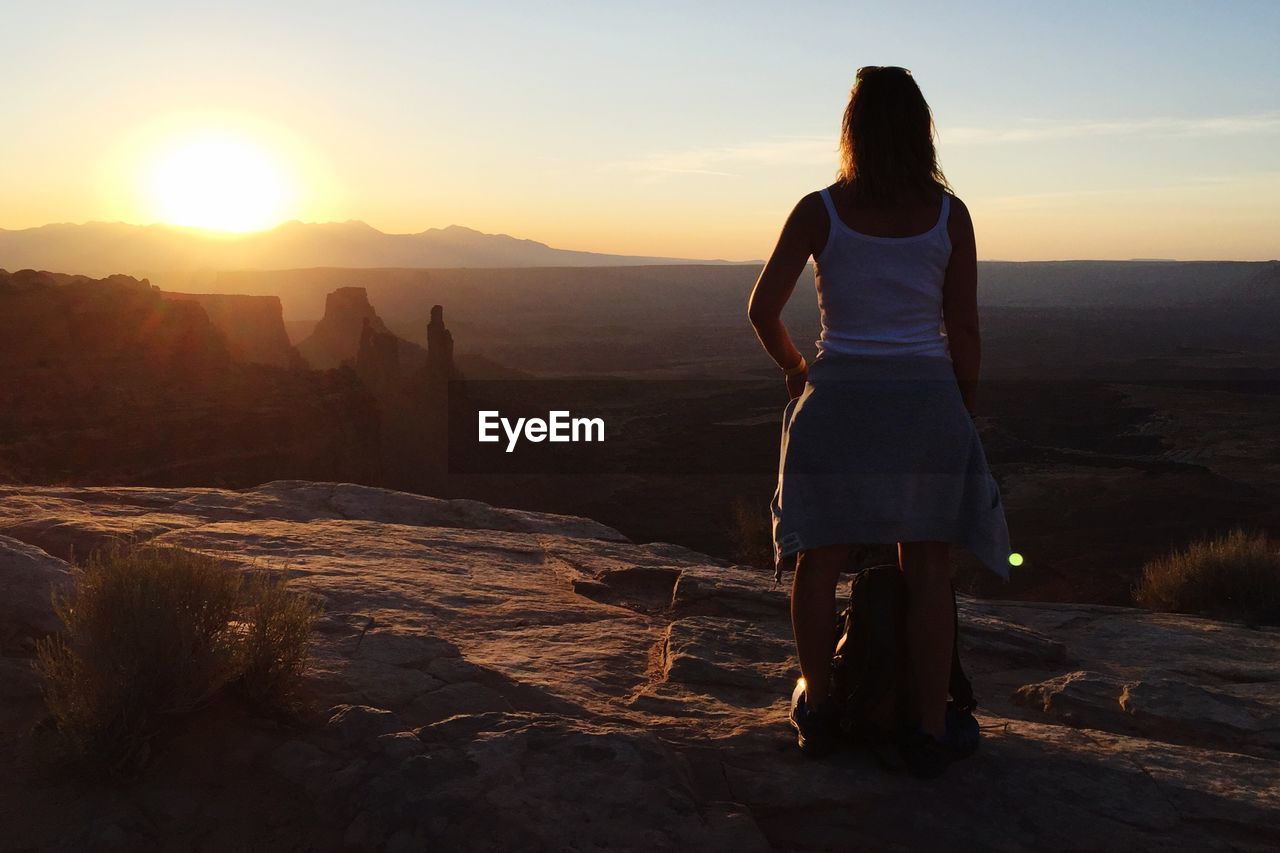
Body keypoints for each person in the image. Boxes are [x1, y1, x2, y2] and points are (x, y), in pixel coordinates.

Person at [747, 66, 1012, 778]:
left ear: (852, 130)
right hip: (925, 401)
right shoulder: (949, 216)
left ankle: (823, 712)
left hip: (837, 403)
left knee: (818, 559)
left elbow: (762, 309)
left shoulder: (819, 210)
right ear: (922, 130)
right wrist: (962, 404)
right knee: (926, 564)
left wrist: (798, 369)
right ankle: (929, 727)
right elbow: (963, 325)